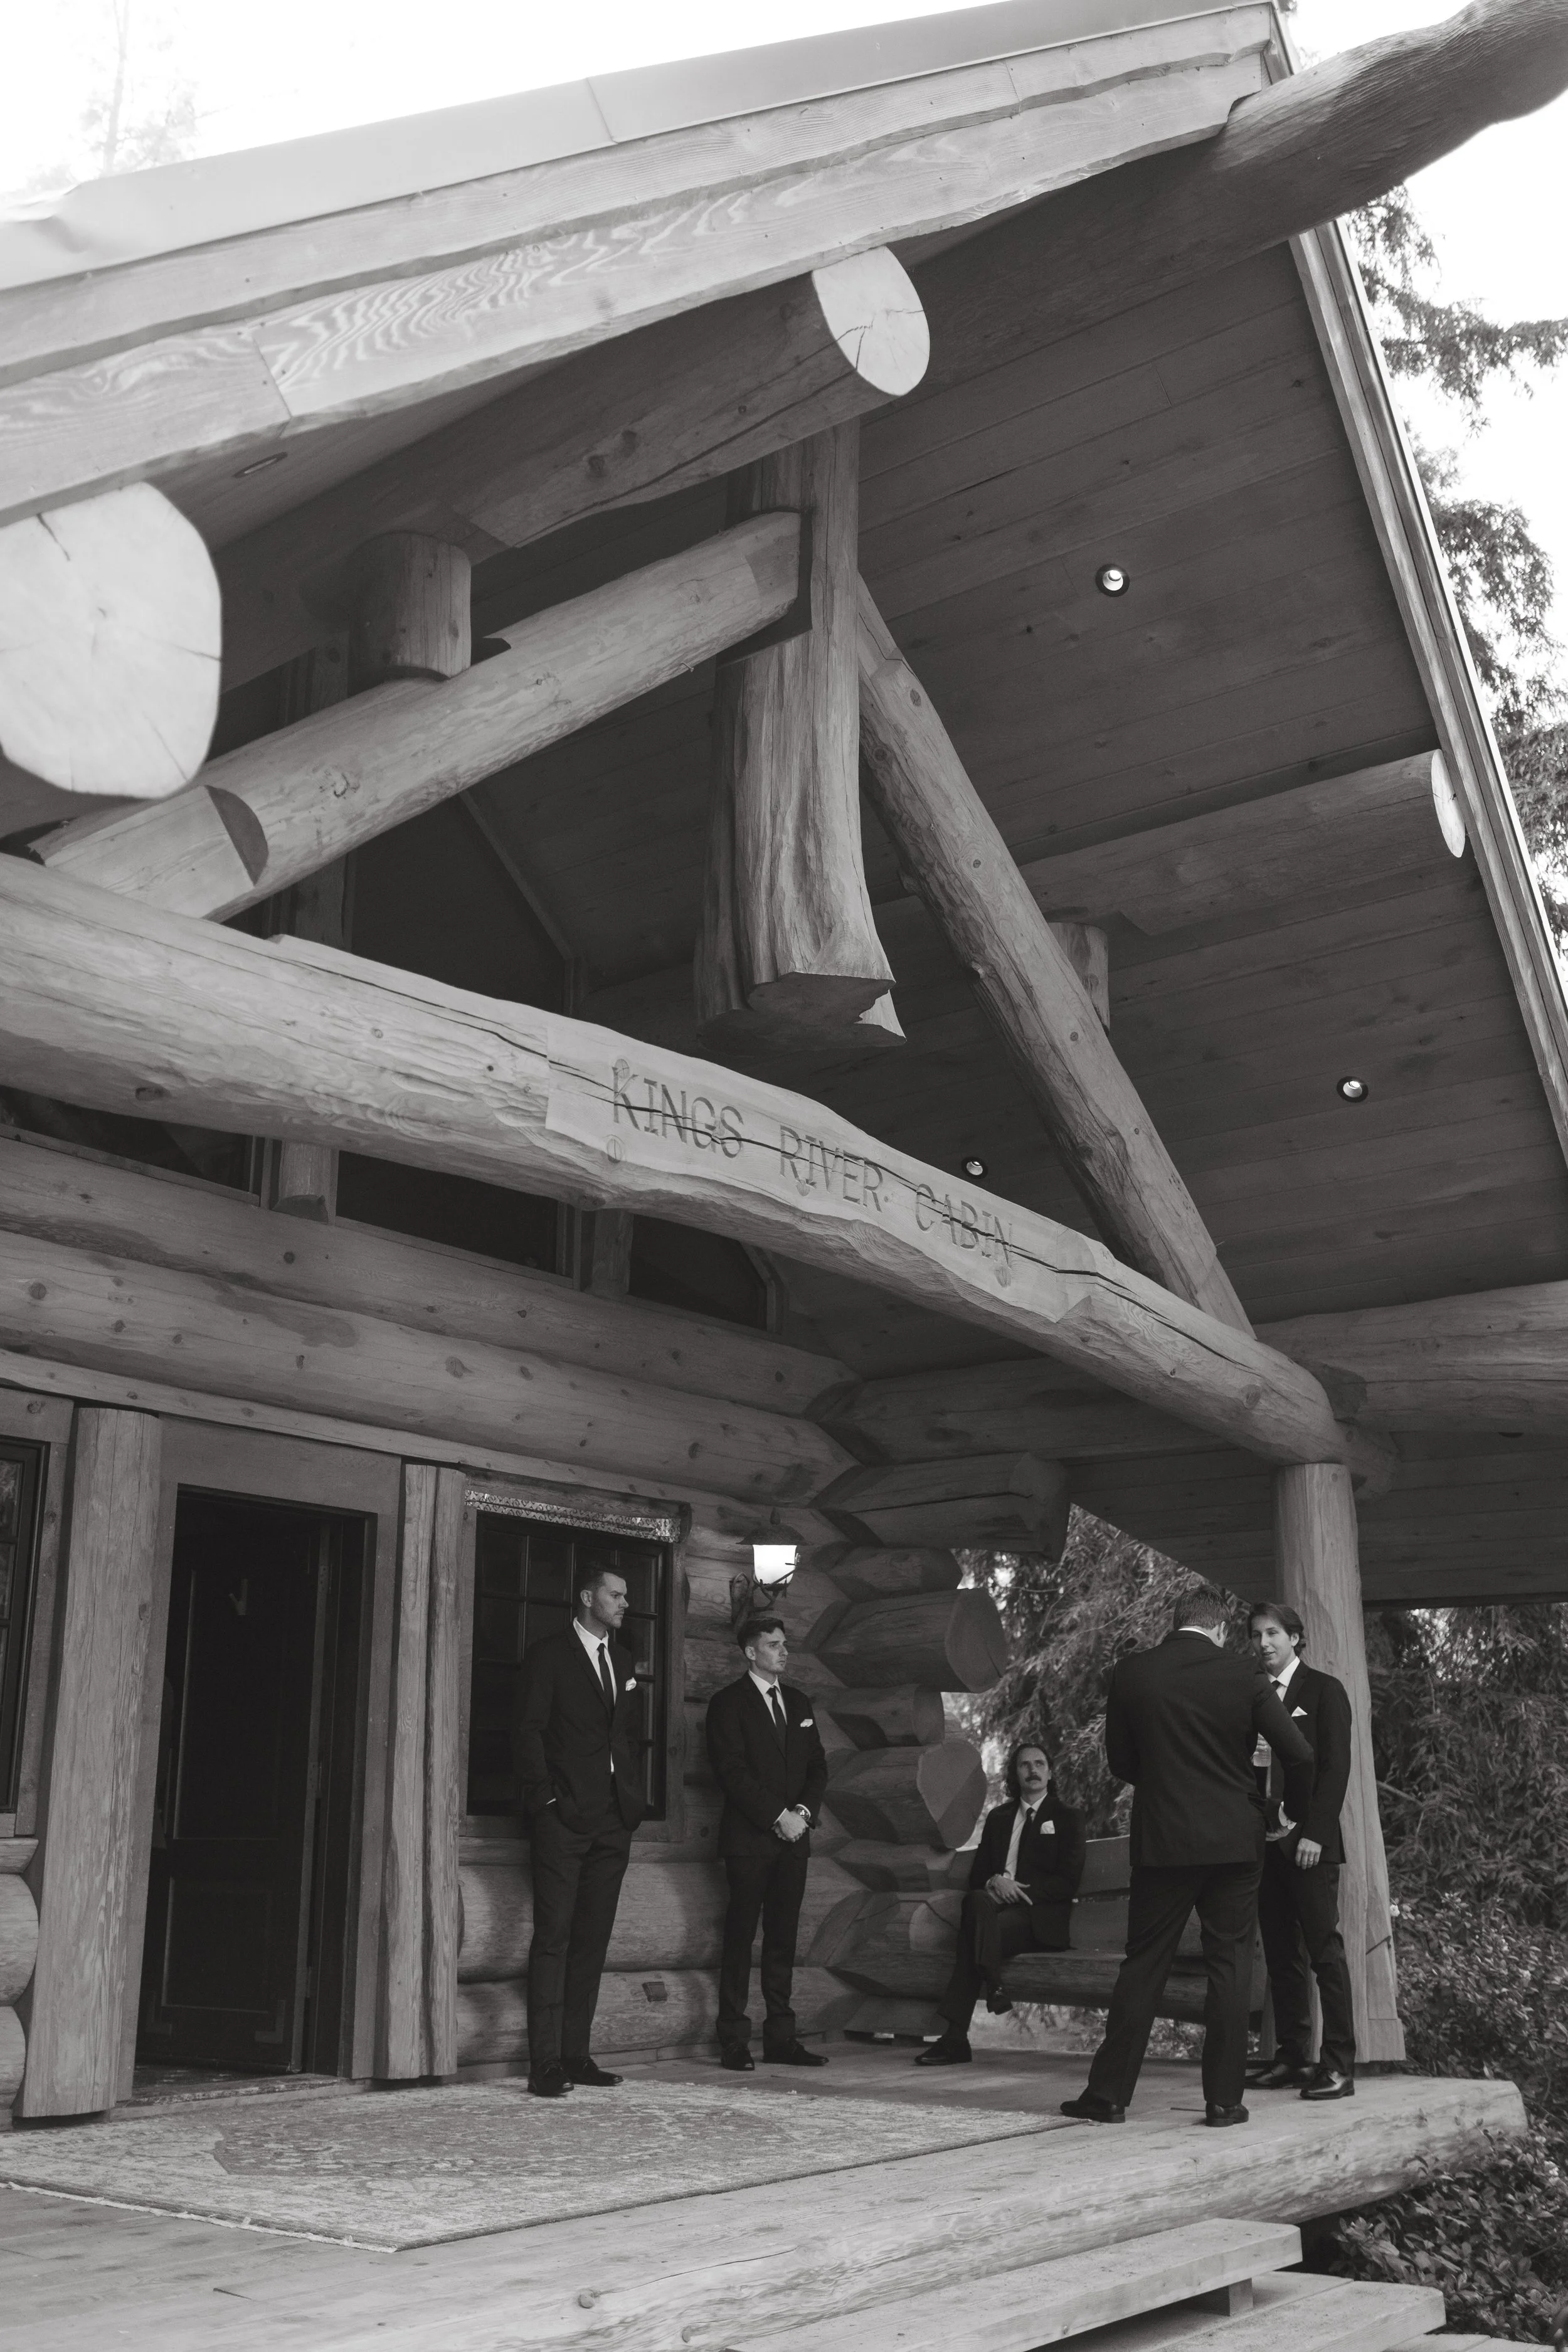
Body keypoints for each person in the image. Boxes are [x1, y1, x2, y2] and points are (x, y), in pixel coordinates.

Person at [1060, 1586, 1314, 2130]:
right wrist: (1286, 1814)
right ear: (1220, 1628)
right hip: (1236, 1841)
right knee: (1230, 1965)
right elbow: (1298, 1753)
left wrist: (1166, 1784)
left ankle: (1107, 2096)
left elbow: (1121, 1761)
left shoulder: (1133, 1673)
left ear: (1176, 1623)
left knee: (1144, 1964)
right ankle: (1224, 2102)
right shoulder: (1243, 1673)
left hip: (1164, 1841)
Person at [513, 1564, 645, 2098]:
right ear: (589, 1597)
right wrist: (546, 1800)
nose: (625, 1603)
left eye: (626, 1596)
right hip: (563, 1818)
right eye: (616, 1595)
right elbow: (528, 1731)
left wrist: (630, 1796)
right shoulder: (549, 1655)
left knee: (592, 1940)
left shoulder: (623, 1658)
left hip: (615, 1818)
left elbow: (626, 1735)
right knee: (554, 1938)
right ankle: (545, 2063)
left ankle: (576, 2055)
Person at [706, 1614, 830, 2072]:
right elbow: (731, 1772)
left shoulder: (798, 1702)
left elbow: (818, 1767)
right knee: (740, 1940)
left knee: (783, 1940)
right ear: (751, 1652)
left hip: (794, 1841)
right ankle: (734, 2040)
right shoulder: (727, 1703)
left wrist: (802, 1816)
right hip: (749, 1841)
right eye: (774, 1645)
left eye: (785, 1644)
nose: (784, 1652)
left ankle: (781, 2038)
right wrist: (779, 1817)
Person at [1245, 1600, 1357, 2101]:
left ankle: (1339, 2066)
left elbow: (1335, 1769)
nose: (1263, 1643)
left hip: (1311, 1845)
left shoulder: (1324, 1691)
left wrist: (1315, 1833)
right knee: (1281, 1956)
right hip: (1265, 1846)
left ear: (1294, 1638)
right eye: (1256, 1635)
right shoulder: (1252, 1695)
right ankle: (1293, 2058)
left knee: (1325, 1954)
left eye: (1272, 1633)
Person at [916, 1738, 1086, 2067]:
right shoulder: (999, 1818)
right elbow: (978, 1876)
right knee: (977, 1901)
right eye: (1025, 1765)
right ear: (1015, 1774)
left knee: (972, 1936)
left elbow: (1067, 1882)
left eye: (1039, 1764)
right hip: (992, 1909)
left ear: (1050, 1773)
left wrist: (1018, 1891)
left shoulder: (1068, 1817)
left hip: (1037, 1917)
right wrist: (996, 1881)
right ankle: (992, 1985)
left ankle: (955, 2038)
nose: (1033, 1770)